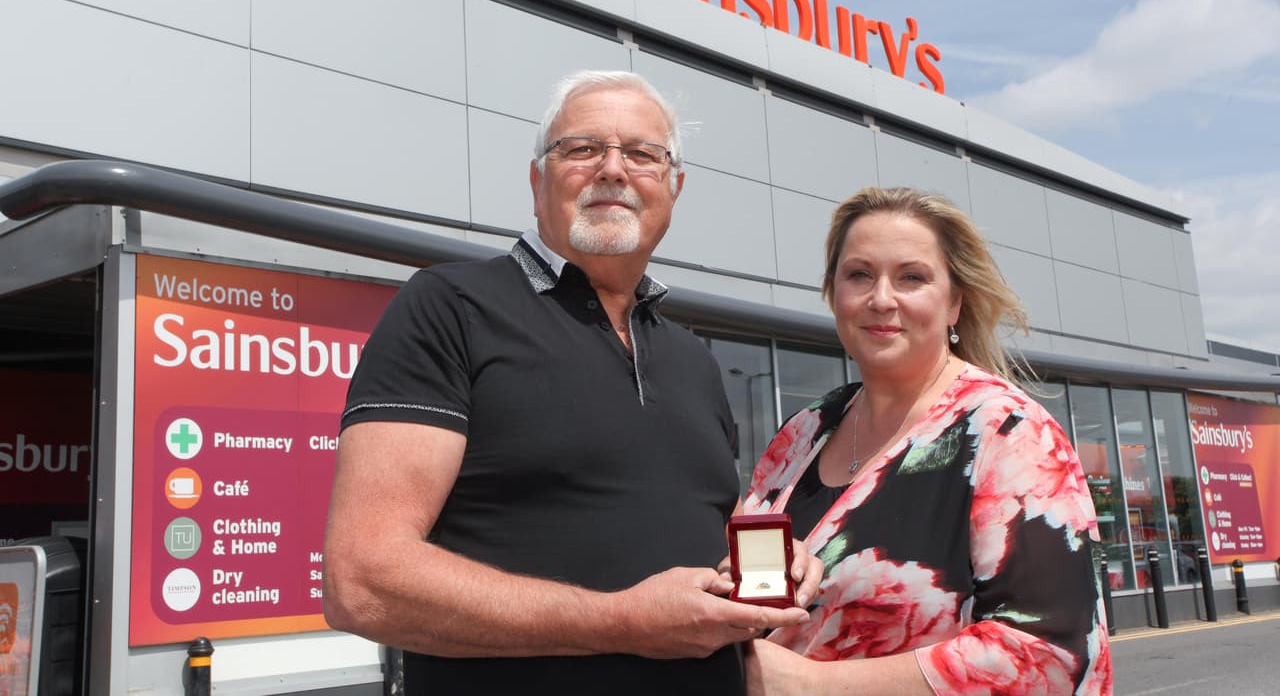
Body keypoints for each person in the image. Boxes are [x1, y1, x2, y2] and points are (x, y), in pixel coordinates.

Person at [322, 69, 820, 695]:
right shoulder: (450, 307)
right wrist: (620, 623)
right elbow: (362, 581)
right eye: (583, 149)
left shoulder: (694, 358)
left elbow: (688, 527)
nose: (613, 169)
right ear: (538, 181)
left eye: (642, 154)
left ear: (674, 187)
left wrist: (768, 562)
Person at [741, 187, 1112, 695]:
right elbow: (752, 585)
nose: (881, 298)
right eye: (859, 275)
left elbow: (1048, 656)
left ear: (954, 302)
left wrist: (813, 684)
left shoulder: (1008, 431)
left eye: (911, 277)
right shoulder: (803, 431)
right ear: (834, 294)